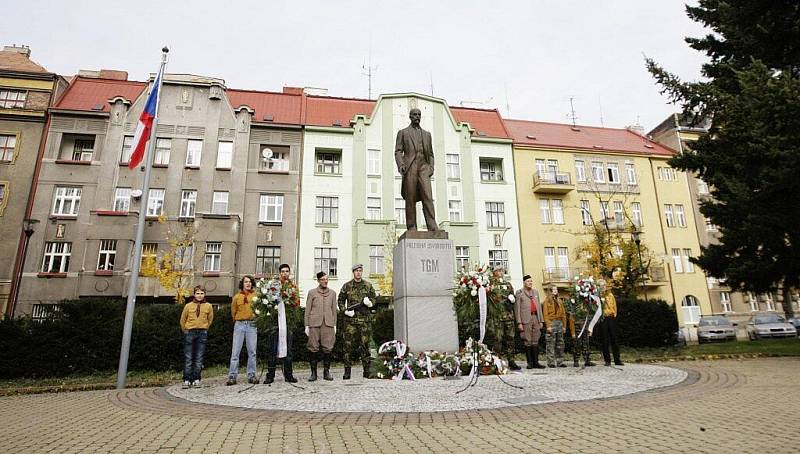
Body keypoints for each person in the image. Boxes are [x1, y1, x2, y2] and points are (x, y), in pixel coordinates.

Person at [394, 107, 438, 231]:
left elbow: (430, 154)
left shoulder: (427, 135)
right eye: (414, 114)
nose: (417, 116)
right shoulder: (403, 133)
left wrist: (431, 168)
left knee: (428, 196)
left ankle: (432, 225)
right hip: (410, 167)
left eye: (419, 114)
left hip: (424, 167)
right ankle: (412, 226)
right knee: (410, 198)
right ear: (410, 116)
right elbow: (398, 151)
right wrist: (401, 165)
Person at [338, 264, 377, 379]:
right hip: (350, 321)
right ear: (353, 272)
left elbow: (374, 299)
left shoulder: (368, 286)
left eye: (360, 271)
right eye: (356, 271)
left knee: (365, 346)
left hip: (365, 321)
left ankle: (366, 371)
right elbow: (340, 300)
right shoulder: (347, 286)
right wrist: (345, 311)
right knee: (347, 346)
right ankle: (347, 371)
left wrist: (370, 303)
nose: (358, 273)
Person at [264, 264, 298, 384]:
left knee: (288, 350)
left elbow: (296, 303)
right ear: (279, 273)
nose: (285, 273)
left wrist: (290, 300)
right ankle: (270, 375)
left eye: (287, 271)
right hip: (275, 322)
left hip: (287, 322)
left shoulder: (293, 287)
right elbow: (268, 301)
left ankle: (289, 375)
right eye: (282, 271)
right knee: (272, 349)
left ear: (289, 273)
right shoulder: (273, 286)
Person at [305, 271, 338, 381]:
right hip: (314, 323)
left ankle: (326, 372)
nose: (325, 281)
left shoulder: (333, 293)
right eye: (323, 279)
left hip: (328, 324)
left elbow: (334, 310)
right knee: (313, 348)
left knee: (328, 348)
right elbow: (307, 310)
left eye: (327, 279)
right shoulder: (312, 293)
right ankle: (313, 373)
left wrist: (334, 325)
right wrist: (306, 325)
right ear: (318, 280)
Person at [179, 285, 214, 388]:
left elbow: (210, 319)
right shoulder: (188, 306)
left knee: (199, 357)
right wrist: (185, 330)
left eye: (202, 293)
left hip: (202, 333)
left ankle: (196, 378)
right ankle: (186, 379)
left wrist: (205, 327)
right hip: (189, 332)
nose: (199, 295)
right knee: (188, 357)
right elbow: (182, 319)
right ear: (194, 294)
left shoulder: (208, 306)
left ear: (205, 294)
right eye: (197, 293)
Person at [226, 276, 258, 385]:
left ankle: (252, 375)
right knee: (235, 352)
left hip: (252, 325)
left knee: (252, 352)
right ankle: (232, 376)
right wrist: (238, 320)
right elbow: (233, 312)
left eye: (249, 282)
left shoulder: (256, 296)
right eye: (246, 282)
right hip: (239, 325)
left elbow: (259, 310)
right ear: (242, 284)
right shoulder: (236, 297)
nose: (248, 284)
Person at [489, 264, 522, 371]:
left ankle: (511, 360)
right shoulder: (491, 284)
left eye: (502, 270)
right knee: (498, 339)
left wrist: (512, 298)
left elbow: (512, 297)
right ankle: (496, 361)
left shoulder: (508, 284)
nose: (501, 272)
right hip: (498, 317)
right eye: (498, 270)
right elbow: (491, 299)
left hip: (509, 316)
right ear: (494, 272)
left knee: (510, 339)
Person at [514, 275, 546, 369]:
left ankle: (536, 362)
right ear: (524, 282)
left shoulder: (535, 292)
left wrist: (541, 320)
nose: (530, 283)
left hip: (535, 317)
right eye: (528, 281)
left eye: (531, 281)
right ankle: (530, 363)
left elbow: (539, 307)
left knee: (536, 339)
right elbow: (517, 308)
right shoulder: (519, 293)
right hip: (525, 319)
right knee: (527, 340)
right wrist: (519, 322)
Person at [542, 285, 567, 368]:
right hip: (551, 322)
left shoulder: (559, 301)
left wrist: (564, 326)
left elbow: (563, 314)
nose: (555, 291)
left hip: (559, 322)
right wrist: (548, 325)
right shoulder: (547, 301)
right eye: (553, 289)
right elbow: (545, 314)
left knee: (560, 343)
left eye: (556, 289)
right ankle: (551, 362)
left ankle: (560, 361)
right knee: (550, 343)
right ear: (550, 291)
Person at [600, 286, 624, 366]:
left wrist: (614, 314)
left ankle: (617, 360)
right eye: (600, 285)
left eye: (603, 285)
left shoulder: (610, 295)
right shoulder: (598, 296)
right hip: (603, 319)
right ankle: (607, 360)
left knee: (614, 339)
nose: (602, 287)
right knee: (604, 340)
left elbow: (615, 306)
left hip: (611, 318)